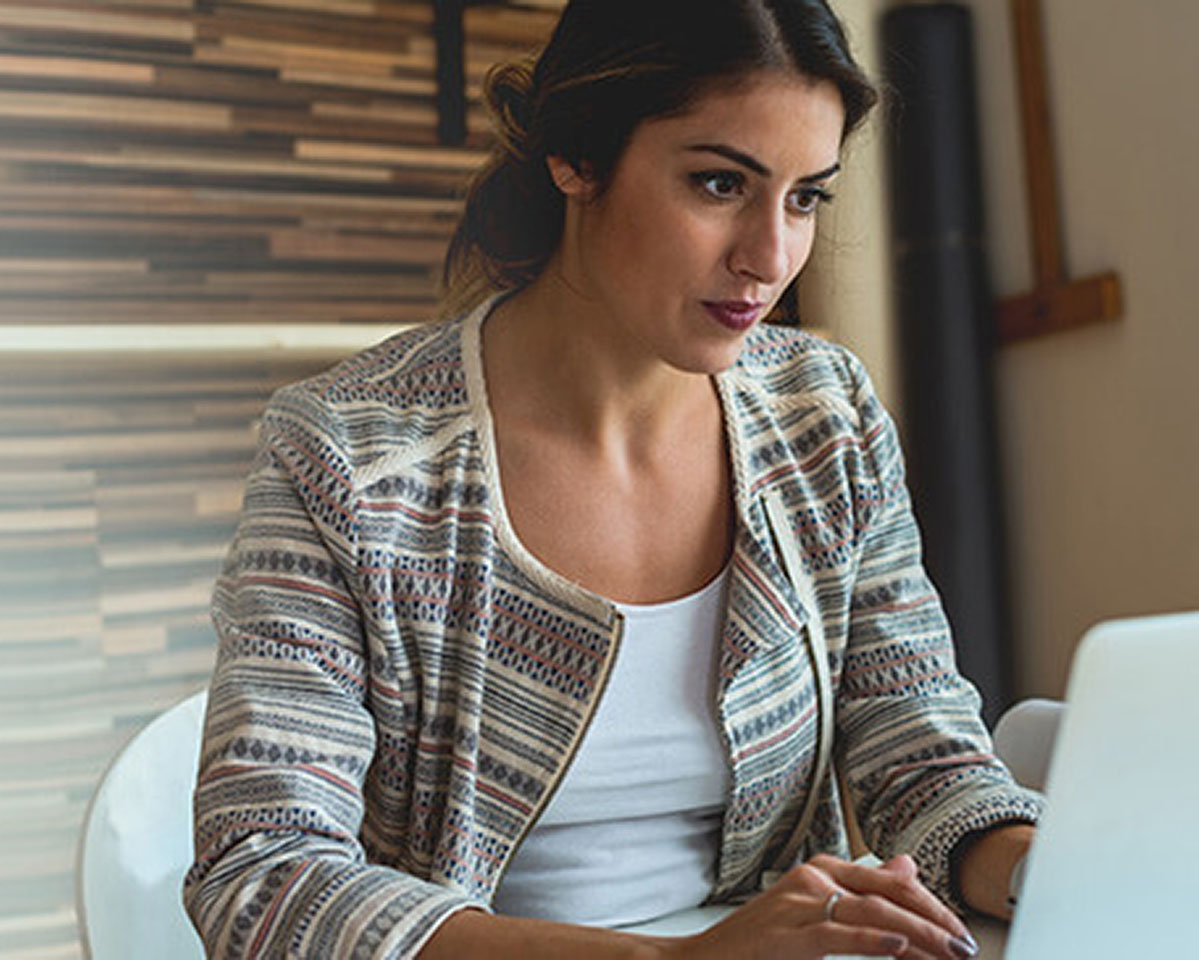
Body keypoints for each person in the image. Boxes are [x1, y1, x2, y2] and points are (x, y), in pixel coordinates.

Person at [184, 1, 1043, 957]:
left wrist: (1038, 860)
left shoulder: (822, 416)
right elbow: (263, 877)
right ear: (576, 159)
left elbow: (916, 757)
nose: (769, 257)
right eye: (720, 184)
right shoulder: (348, 454)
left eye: (805, 198)